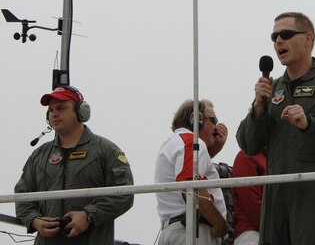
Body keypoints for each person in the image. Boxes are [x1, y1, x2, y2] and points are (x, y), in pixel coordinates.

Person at [236, 12, 315, 245]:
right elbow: (247, 145)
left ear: (308, 38)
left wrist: (309, 123)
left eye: (285, 34)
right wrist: (257, 109)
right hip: (274, 193)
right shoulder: (272, 88)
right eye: (274, 37)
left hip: (312, 191)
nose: (278, 42)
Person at [15, 85, 134, 244]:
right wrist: (35, 220)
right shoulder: (39, 156)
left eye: (61, 108)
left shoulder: (106, 150)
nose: (54, 114)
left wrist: (89, 216)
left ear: (81, 112)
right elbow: (22, 196)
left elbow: (124, 194)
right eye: (50, 110)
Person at [155, 99, 228, 245]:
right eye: (213, 120)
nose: (216, 127)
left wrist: (212, 150)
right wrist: (219, 223)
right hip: (193, 230)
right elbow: (189, 183)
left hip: (179, 229)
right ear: (197, 120)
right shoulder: (192, 142)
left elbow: (193, 171)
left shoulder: (174, 142)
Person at [231, 150, 266, 245]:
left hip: (272, 234)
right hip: (252, 235)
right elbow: (251, 203)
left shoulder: (273, 159)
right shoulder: (246, 156)